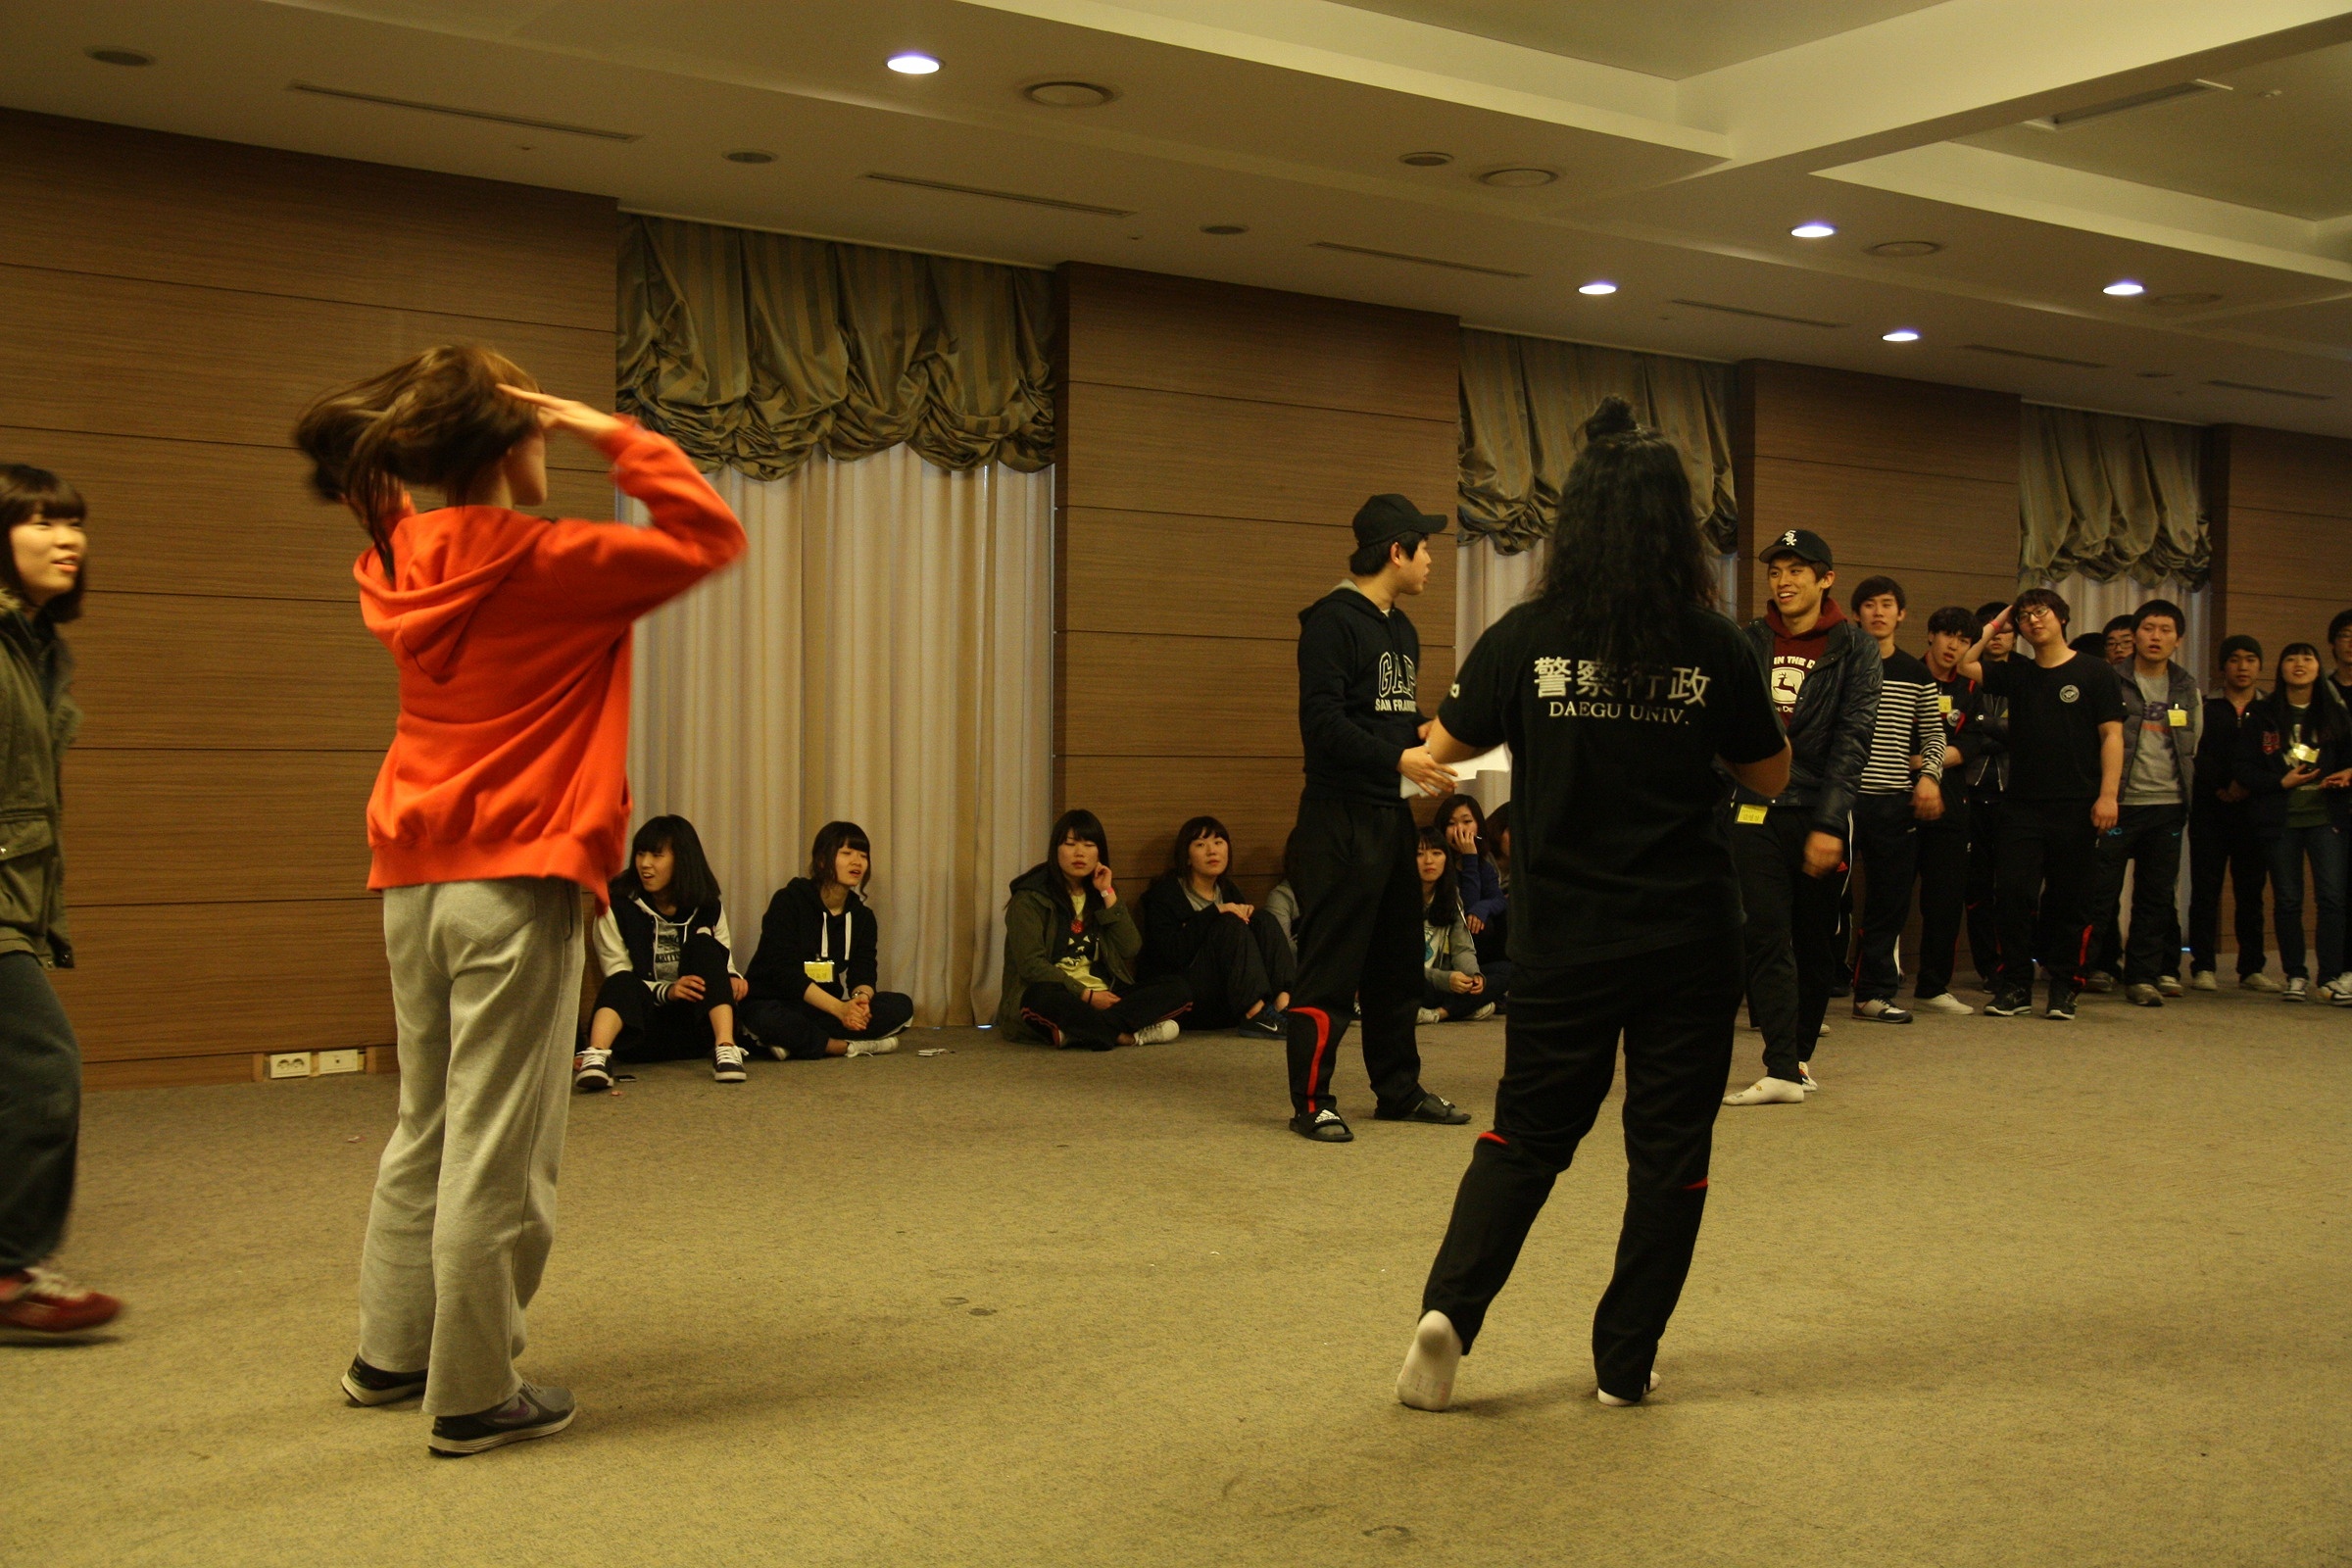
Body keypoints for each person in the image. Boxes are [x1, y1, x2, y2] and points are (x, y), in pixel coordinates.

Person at [301, 344, 746, 1454]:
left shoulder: (401, 554)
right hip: (515, 883)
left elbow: (367, 476)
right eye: (537, 425)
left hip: (413, 878)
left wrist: (436, 412)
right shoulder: (556, 560)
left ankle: (390, 1355)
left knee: (428, 1124)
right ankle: (472, 1392)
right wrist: (611, 429)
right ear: (508, 439)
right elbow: (709, 533)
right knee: (498, 1147)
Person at [1395, 397, 1788, 1412]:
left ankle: (1450, 1313)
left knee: (1527, 1135)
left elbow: (1443, 749)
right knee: (1669, 1153)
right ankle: (1624, 1361)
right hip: (1688, 935)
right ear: (1676, 527)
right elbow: (1771, 775)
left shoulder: (1526, 636)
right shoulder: (1715, 644)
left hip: (1565, 935)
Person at [1280, 494, 1473, 1143]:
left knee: (1397, 962)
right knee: (1331, 966)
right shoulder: (1331, 623)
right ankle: (1312, 1101)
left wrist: (1427, 733)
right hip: (1338, 819)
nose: (1431, 562)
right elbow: (1322, 723)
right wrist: (1397, 755)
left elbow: (1388, 713)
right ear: (1396, 551)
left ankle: (1399, 1090)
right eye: (1425, 549)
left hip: (1391, 818)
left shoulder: (1402, 629)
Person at [0, 465, 120, 1339]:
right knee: (44, 1072)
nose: (66, 538)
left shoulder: (36, 646)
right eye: (39, 521)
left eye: (71, 521)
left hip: (18, 890)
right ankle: (12, 1275)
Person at [1722, 527, 1879, 1106]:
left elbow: (1853, 741)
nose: (1783, 582)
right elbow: (1724, 728)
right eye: (1775, 571)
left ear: (1825, 579)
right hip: (1753, 807)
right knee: (1763, 931)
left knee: (1815, 942)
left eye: (1796, 571)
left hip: (1818, 808)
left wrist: (1831, 824)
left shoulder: (1854, 647)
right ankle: (1782, 1066)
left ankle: (1798, 1057)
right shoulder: (1748, 640)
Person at [1958, 590, 2126, 1021]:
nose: (2033, 621)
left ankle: (2065, 986)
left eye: (2041, 612)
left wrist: (2108, 795)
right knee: (2012, 894)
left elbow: (2112, 736)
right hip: (2021, 805)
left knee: (2071, 899)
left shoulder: (2095, 671)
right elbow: (1965, 664)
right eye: (2025, 616)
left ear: (2062, 617)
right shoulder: (2018, 672)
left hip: (2078, 803)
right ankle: (2015, 985)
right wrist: (1998, 621)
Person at [573, 817, 749, 1088]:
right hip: (639, 1033)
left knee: (705, 945)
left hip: (696, 1032)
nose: (645, 864)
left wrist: (733, 978)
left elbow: (723, 961)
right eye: (640, 854)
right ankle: (597, 1056)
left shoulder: (708, 906)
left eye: (656, 856)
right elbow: (617, 973)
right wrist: (668, 991)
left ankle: (726, 1048)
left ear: (683, 860)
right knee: (621, 979)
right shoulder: (617, 904)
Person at [995, 810, 1190, 1049]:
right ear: (1055, 850)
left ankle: (1084, 1031)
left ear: (1099, 853)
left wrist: (1108, 893)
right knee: (1038, 997)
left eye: (1089, 845)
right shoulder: (1030, 898)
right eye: (1070, 844)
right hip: (1060, 994)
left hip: (1105, 994)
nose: (1080, 853)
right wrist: (1086, 996)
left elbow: (1130, 947)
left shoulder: (1100, 892)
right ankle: (1125, 1036)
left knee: (1178, 988)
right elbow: (1031, 965)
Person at [2088, 602, 2201, 1007]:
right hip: (2119, 802)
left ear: (2178, 639)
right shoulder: (2110, 679)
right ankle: (2096, 966)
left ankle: (2143, 977)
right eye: (2149, 628)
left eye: (2166, 630)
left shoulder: (2186, 686)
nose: (2156, 637)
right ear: (2135, 635)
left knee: (2155, 896)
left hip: (2168, 803)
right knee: (2100, 891)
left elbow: (2193, 742)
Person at [1846, 576, 1947, 1024]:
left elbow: (1934, 735)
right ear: (1856, 615)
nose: (1878, 612)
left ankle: (1873, 993)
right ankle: (1813, 992)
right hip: (1841, 798)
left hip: (1892, 801)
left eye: (1887, 604)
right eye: (1869, 605)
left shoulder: (1916, 672)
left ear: (1901, 614)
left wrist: (1929, 778)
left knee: (1889, 902)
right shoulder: (1840, 664)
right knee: (1824, 901)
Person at [2233, 645, 2352, 1004]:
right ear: (2280, 668)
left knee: (2332, 897)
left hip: (2326, 818)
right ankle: (2295, 974)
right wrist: (2280, 782)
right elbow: (2244, 768)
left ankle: (2329, 976)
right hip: (2280, 819)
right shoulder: (2263, 714)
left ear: (2318, 667)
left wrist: (2347, 774)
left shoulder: (2335, 713)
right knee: (2287, 899)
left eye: (2307, 658)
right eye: (2291, 659)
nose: (2299, 665)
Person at [740, 820, 916, 1059]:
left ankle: (799, 1043)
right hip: (777, 1001)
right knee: (765, 1018)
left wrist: (859, 1002)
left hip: (824, 1009)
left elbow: (863, 971)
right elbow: (786, 974)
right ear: (822, 860)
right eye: (847, 853)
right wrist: (840, 1009)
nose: (857, 862)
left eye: (863, 856)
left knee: (900, 1005)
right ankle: (843, 1047)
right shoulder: (788, 901)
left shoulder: (862, 917)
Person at [1136, 816, 1294, 1038]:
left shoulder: (1227, 890)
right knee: (1229, 922)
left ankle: (1283, 1005)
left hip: (1226, 996)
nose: (1212, 851)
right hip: (1188, 997)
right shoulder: (1165, 895)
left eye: (1218, 842)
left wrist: (1247, 916)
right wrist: (1215, 912)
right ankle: (1254, 1014)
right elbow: (1170, 954)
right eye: (1201, 845)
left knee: (1263, 919)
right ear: (1186, 857)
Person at [2188, 635, 2275, 991]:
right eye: (2235, 659)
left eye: (2250, 659)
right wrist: (2224, 784)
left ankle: (2251, 968)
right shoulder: (2206, 706)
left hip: (2254, 811)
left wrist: (2246, 785)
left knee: (2251, 892)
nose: (2242, 667)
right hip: (2210, 808)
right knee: (2205, 890)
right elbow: (2196, 752)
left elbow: (2274, 757)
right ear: (2222, 666)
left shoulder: (2270, 710)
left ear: (2259, 666)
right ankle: (2203, 966)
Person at [1912, 607, 1984, 1013]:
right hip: (1899, 800)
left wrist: (1929, 761)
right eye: (1947, 635)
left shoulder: (1971, 687)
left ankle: (1934, 985)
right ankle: (1875, 985)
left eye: (1963, 640)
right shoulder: (1906, 674)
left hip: (1952, 803)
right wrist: (1926, 760)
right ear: (1930, 635)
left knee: (1944, 900)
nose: (1953, 646)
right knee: (1889, 900)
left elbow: (1973, 742)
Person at [1963, 603, 2016, 991]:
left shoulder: (2029, 673)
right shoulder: (1965, 674)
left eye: (2004, 630)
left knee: (2014, 889)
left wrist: (1985, 726)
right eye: (1990, 630)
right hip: (1970, 790)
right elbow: (1960, 730)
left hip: (2015, 795)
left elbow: (2030, 732)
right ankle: (1988, 968)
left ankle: (2016, 963)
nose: (1997, 637)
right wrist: (2001, 731)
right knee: (1977, 888)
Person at [1435, 792, 1511, 1004]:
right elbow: (1465, 910)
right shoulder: (1438, 862)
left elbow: (1499, 899)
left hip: (1476, 955)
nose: (1460, 829)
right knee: (1482, 925)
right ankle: (1469, 1001)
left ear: (1478, 826)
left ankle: (1480, 992)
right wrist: (1469, 857)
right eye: (1451, 824)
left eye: (1467, 822)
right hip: (1447, 952)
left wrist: (1483, 907)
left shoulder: (1482, 864)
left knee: (1509, 968)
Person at [1414, 824, 1494, 1022]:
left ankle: (1438, 1013)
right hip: (1412, 981)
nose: (1429, 861)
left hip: (1441, 983)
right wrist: (1445, 980)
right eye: (1419, 854)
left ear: (1446, 858)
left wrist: (1472, 976)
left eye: (1436, 853)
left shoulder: (1450, 895)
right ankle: (1460, 1009)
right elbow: (1396, 964)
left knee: (1504, 972)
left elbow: (1462, 947)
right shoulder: (1396, 898)